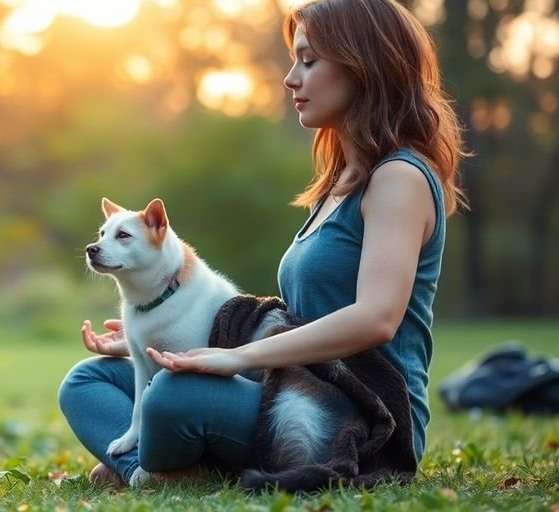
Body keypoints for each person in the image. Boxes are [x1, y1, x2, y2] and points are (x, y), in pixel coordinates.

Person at [58, 0, 467, 486]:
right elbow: (296, 321)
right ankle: (159, 467)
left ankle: (161, 467)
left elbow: (376, 319)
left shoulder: (400, 177)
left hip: (358, 412)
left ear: (365, 65)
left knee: (171, 395)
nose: (291, 78)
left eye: (309, 61)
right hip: (289, 384)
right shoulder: (342, 184)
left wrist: (239, 358)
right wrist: (155, 343)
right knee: (89, 380)